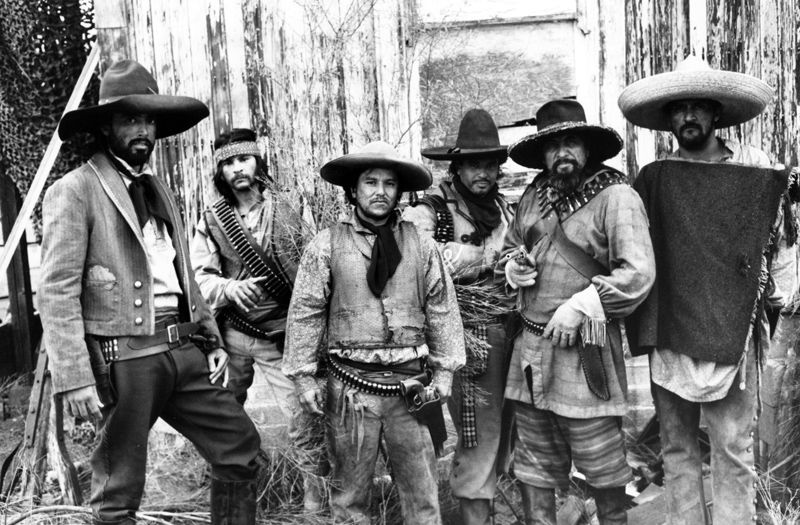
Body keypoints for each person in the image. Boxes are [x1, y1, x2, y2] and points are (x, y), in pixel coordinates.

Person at [38, 59, 261, 525]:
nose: (142, 130)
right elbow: (56, 291)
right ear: (106, 127)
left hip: (183, 349)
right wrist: (74, 377)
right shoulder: (74, 190)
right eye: (130, 119)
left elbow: (183, 273)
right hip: (127, 359)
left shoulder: (158, 188)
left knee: (239, 446)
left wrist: (210, 339)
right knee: (118, 491)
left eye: (149, 120)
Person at [619, 56, 791, 525]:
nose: (689, 116)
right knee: (676, 448)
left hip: (733, 327)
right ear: (669, 118)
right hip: (672, 327)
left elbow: (780, 242)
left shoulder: (754, 169)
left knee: (732, 447)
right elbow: (633, 246)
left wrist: (778, 294)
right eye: (679, 108)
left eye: (698, 106)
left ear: (716, 112)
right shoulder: (655, 178)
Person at [282, 141, 466, 524]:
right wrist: (303, 376)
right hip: (351, 392)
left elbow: (442, 307)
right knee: (349, 499)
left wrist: (446, 371)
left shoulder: (421, 245)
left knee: (423, 496)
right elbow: (306, 312)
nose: (380, 191)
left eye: (389, 183)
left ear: (399, 191)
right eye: (370, 182)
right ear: (354, 189)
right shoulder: (326, 245)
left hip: (412, 389)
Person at [499, 99, 655, 525]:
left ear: (587, 147)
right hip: (531, 353)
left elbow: (638, 272)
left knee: (604, 472)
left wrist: (582, 304)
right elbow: (509, 247)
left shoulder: (617, 196)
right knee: (533, 472)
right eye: (552, 146)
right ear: (542, 154)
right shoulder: (533, 195)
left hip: (587, 349)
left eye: (571, 142)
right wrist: (512, 267)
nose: (562, 152)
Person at [190, 127, 325, 511]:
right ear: (220, 171)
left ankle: (316, 501)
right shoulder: (213, 219)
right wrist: (229, 289)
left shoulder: (289, 207)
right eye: (228, 163)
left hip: (280, 336)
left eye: (244, 159)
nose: (237, 168)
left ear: (257, 161)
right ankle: (235, 491)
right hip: (232, 336)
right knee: (220, 414)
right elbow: (200, 277)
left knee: (302, 419)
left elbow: (315, 266)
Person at [403, 108, 514, 525]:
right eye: (473, 164)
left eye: (490, 164)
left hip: (510, 331)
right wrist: (485, 256)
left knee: (508, 430)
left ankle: (496, 511)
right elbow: (416, 255)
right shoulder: (432, 209)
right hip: (468, 339)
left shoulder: (505, 208)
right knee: (477, 433)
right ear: (457, 168)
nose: (483, 173)